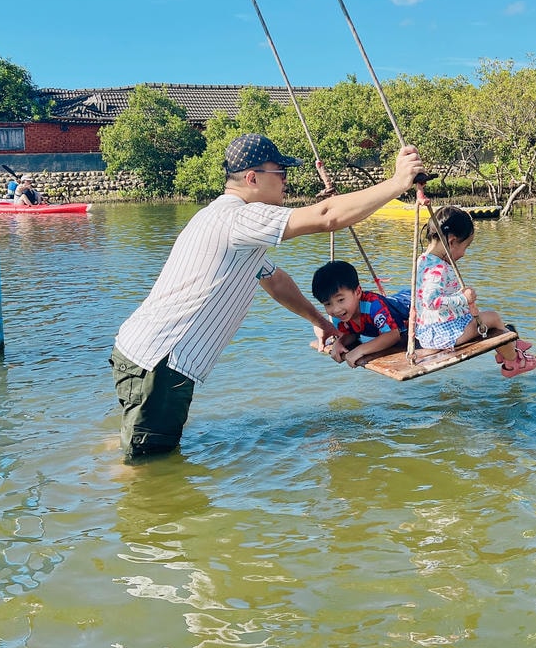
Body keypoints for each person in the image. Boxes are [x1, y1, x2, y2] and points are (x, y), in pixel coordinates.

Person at [111, 133, 424, 459]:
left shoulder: (222, 220)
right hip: (160, 364)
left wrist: (320, 321)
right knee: (146, 468)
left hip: (143, 354)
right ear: (252, 178)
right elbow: (325, 216)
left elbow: (275, 280)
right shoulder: (240, 217)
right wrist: (398, 182)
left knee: (137, 446)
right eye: (281, 173)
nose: (287, 181)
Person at [413, 205, 536, 378]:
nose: (464, 254)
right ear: (451, 241)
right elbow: (431, 301)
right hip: (442, 334)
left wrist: (459, 298)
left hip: (428, 331)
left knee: (487, 320)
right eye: (466, 246)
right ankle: (512, 360)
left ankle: (510, 346)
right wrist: (463, 299)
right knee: (493, 317)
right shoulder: (438, 269)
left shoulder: (423, 260)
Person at [311, 259, 411, 368]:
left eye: (340, 300)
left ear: (358, 292)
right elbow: (351, 333)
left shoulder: (373, 306)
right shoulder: (339, 316)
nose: (336, 309)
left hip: (409, 303)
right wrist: (339, 342)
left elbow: (393, 335)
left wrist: (361, 350)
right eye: (328, 304)